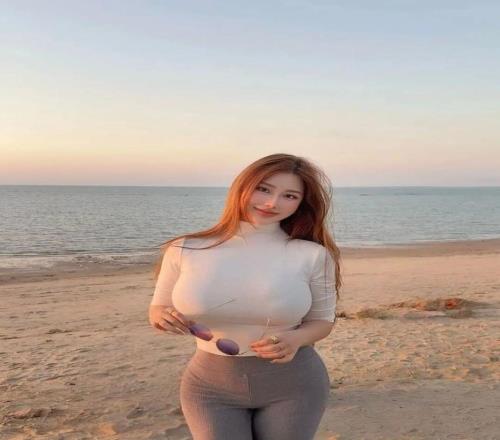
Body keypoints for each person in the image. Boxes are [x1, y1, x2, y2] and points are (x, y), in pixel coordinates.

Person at [148, 153, 342, 440]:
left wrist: (295, 339)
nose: (272, 203)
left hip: (294, 385)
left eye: (289, 196)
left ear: (301, 204)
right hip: (209, 386)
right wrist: (161, 317)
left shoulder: (313, 255)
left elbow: (323, 321)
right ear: (242, 187)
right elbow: (158, 307)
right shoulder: (185, 248)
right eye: (263, 189)